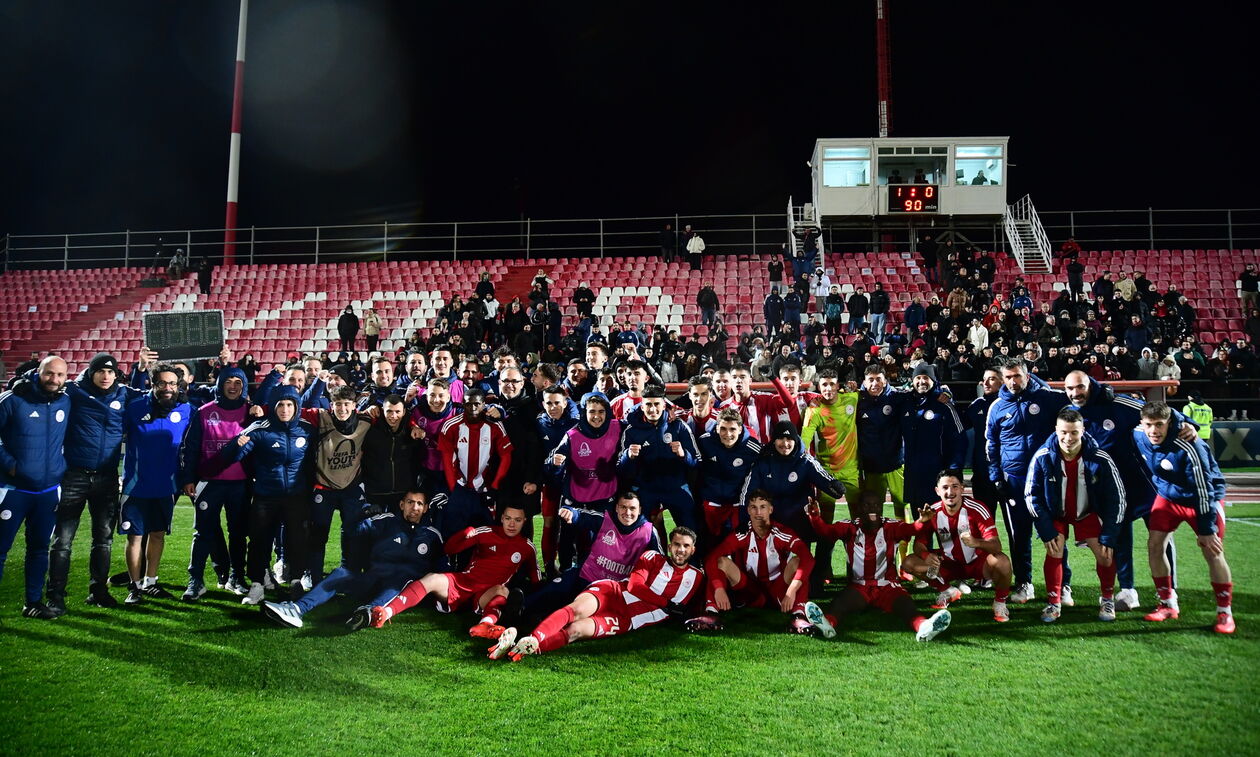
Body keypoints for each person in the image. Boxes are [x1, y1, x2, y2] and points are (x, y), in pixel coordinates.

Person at [489, 527, 702, 661]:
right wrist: (666, 603)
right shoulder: (652, 557)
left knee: (576, 631)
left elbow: (697, 607)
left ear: (693, 550)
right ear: (669, 545)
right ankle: (533, 638)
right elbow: (635, 586)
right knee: (576, 611)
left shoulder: (697, 577)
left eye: (685, 546)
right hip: (614, 592)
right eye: (676, 544)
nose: (680, 550)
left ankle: (518, 648)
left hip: (627, 619)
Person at [47, 352, 147, 613]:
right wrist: (24, 381)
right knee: (63, 539)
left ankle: (98, 591)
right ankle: (55, 594)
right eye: (100, 371)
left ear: (116, 374)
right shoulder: (74, 392)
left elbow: (153, 397)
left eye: (111, 372)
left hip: (107, 476)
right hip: (74, 475)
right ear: (91, 372)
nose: (106, 376)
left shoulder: (124, 394)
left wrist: (143, 370)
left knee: (103, 538)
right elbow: (42, 382)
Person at [262, 489, 445, 629]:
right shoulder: (387, 520)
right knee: (341, 573)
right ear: (401, 504)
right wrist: (364, 514)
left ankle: (368, 612)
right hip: (372, 580)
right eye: (410, 502)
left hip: (399, 589)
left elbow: (443, 569)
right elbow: (354, 531)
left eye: (420, 504)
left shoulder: (432, 535)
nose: (415, 507)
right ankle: (296, 609)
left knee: (402, 579)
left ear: (426, 508)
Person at [362, 503, 541, 635]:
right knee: (432, 578)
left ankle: (485, 625)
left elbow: (535, 576)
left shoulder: (527, 547)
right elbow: (450, 549)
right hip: (463, 582)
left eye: (517, 520)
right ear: (502, 518)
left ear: (524, 521)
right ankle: (386, 612)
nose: (512, 524)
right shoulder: (485, 532)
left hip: (487, 593)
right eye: (508, 519)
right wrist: (465, 533)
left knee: (502, 590)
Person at [1133, 402, 1234, 634]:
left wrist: (1207, 529)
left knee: (1213, 550)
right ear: (1142, 423)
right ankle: (1168, 604)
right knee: (1154, 545)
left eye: (1159, 424)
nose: (1153, 431)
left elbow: (1203, 489)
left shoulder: (1188, 445)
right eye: (1149, 424)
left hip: (1202, 500)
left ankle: (1224, 612)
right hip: (1168, 495)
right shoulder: (1138, 434)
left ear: (1170, 423)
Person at [802, 494, 951, 643]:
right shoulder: (849, 527)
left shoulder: (891, 526)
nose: (873, 508)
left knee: (907, 607)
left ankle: (924, 627)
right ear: (859, 508)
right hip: (859, 586)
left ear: (881, 508)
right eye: (867, 505)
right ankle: (827, 624)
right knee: (840, 604)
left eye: (876, 505)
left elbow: (911, 529)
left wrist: (921, 521)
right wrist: (814, 517)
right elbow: (826, 532)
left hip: (888, 585)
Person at [1025, 408, 1125, 623]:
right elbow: (1031, 495)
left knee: (1105, 554)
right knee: (1054, 549)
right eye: (1063, 432)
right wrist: (1045, 529)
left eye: (1073, 433)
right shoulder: (1043, 456)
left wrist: (1109, 533)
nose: (1068, 438)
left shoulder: (1100, 458)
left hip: (1088, 511)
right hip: (1056, 513)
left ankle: (1107, 598)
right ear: (1056, 430)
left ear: (1083, 431)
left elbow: (1117, 498)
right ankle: (1054, 602)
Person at [985, 356, 1071, 605]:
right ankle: (1025, 584)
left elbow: (1080, 405)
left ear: (1027, 375)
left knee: (1054, 533)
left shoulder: (1050, 398)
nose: (1012, 381)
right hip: (1014, 480)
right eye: (1008, 377)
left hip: (1047, 478)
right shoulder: (997, 406)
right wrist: (996, 477)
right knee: (1018, 535)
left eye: (1017, 376)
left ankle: (1063, 585)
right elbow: (991, 445)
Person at [222, 385, 316, 605]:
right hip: (266, 496)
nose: (285, 409)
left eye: (289, 405)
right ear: (273, 407)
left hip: (296, 496)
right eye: (280, 405)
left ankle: (295, 582)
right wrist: (236, 445)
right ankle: (256, 585)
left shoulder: (307, 429)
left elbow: (314, 461)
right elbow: (230, 457)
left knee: (297, 539)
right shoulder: (259, 428)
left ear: (296, 407)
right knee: (259, 540)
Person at [515, 491, 661, 630]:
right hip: (586, 575)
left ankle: (539, 619)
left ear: (640, 510)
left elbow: (660, 562)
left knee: (576, 607)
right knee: (554, 588)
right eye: (623, 507)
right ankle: (517, 608)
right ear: (616, 508)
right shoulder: (605, 519)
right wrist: (570, 512)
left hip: (613, 589)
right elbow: (581, 514)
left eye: (632, 508)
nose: (627, 513)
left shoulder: (649, 532)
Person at [684, 490, 816, 634]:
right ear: (748, 510)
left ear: (771, 509)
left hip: (778, 591)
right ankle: (711, 614)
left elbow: (807, 558)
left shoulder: (782, 532)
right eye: (753, 507)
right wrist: (719, 588)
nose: (758, 512)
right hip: (750, 591)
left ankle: (799, 617)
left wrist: (792, 590)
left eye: (763, 507)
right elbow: (712, 558)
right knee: (721, 561)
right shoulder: (741, 534)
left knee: (798, 562)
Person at [0, 356, 70, 619]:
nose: (54, 379)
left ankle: (33, 602)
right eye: (49, 374)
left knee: (39, 548)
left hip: (48, 491)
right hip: (13, 490)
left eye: (60, 375)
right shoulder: (13, 399)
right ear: (37, 373)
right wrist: (10, 465)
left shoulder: (65, 400)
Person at [116, 364, 192, 605]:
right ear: (153, 384)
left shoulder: (186, 409)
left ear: (178, 386)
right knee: (135, 537)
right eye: (162, 383)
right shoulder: (135, 407)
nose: (167, 388)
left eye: (172, 383)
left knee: (158, 535)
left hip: (166, 486)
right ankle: (134, 586)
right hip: (136, 486)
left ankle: (151, 582)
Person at [176, 366, 253, 600]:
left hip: (240, 483)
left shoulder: (252, 411)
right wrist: (188, 477)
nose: (232, 386)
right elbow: (191, 448)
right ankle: (196, 580)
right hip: (209, 483)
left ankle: (237, 577)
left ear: (244, 386)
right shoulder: (203, 412)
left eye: (238, 382)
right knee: (203, 533)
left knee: (238, 533)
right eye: (228, 381)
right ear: (220, 384)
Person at [901, 470, 1013, 622]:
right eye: (945, 487)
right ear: (937, 490)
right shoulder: (932, 512)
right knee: (909, 563)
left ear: (962, 488)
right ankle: (947, 591)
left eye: (954, 486)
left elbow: (996, 546)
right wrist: (927, 556)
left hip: (978, 564)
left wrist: (977, 542)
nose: (950, 492)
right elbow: (919, 545)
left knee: (1003, 562)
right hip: (947, 564)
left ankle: (1000, 603)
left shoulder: (977, 508)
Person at [306, 386, 374, 584]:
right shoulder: (321, 419)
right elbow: (292, 408)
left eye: (346, 404)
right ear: (331, 405)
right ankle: (314, 576)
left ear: (354, 406)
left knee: (353, 533)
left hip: (351, 488)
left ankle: (348, 572)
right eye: (338, 404)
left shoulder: (366, 421)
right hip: (323, 487)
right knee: (318, 534)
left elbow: (395, 417)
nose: (342, 408)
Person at [618, 385, 700, 536]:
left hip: (676, 487)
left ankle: (693, 560)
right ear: (642, 406)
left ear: (663, 404)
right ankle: (644, 560)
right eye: (648, 404)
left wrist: (684, 455)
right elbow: (620, 469)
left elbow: (697, 461)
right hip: (645, 489)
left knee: (690, 532)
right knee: (638, 534)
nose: (652, 409)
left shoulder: (678, 426)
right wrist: (627, 456)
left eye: (656, 404)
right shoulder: (631, 431)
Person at [437, 388, 512, 539]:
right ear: (462, 405)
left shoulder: (495, 426)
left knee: (486, 536)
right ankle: (451, 562)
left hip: (484, 490)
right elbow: (446, 460)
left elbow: (507, 456)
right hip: (460, 488)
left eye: (476, 404)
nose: (472, 408)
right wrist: (454, 489)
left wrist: (495, 486)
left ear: (484, 404)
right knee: (454, 535)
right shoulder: (451, 426)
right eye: (468, 404)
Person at [900, 365, 965, 516]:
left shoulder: (944, 405)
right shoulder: (905, 403)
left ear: (933, 380)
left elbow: (959, 439)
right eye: (918, 378)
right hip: (913, 477)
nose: (921, 381)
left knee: (943, 529)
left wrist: (954, 469)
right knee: (920, 527)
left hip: (938, 476)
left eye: (925, 378)